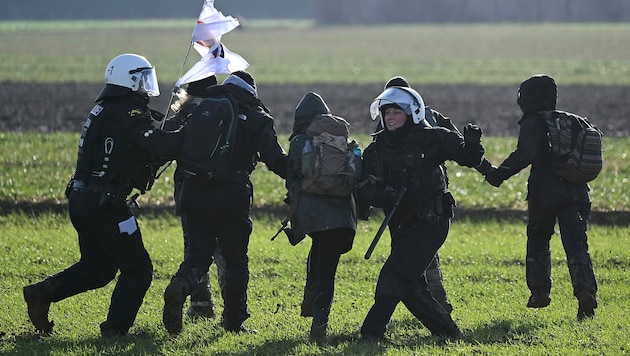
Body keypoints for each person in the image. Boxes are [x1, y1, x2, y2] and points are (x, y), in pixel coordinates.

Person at [22, 53, 185, 337]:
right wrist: (187, 134)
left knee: (99, 268)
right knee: (139, 270)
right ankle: (115, 331)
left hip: (83, 201)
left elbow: (135, 151)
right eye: (142, 80)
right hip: (105, 205)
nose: (146, 87)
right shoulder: (127, 112)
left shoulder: (105, 110)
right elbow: (156, 144)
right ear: (129, 80)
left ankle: (43, 292)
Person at [162, 70, 288, 335]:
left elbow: (170, 142)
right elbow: (276, 160)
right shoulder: (255, 115)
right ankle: (233, 322)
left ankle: (180, 285)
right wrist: (302, 173)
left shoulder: (200, 108)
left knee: (197, 256)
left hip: (193, 193)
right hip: (231, 197)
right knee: (235, 261)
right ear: (252, 90)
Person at [358, 85, 486, 341]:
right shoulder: (377, 148)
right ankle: (447, 332)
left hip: (432, 220)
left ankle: (371, 332)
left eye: (397, 112)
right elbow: (367, 191)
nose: (390, 117)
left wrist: (472, 145)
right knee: (411, 284)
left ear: (411, 113)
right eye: (387, 112)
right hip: (400, 223)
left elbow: (467, 158)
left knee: (393, 275)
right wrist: (387, 194)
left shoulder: (432, 137)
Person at [484, 74, 598, 320]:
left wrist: (499, 174)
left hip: (544, 192)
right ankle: (585, 292)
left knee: (538, 240)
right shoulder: (576, 121)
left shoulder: (533, 122)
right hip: (577, 192)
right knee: (577, 245)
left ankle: (539, 292)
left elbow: (525, 153)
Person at [285, 92, 357, 340]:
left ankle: (317, 322)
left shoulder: (300, 142)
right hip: (343, 218)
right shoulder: (341, 141)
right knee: (327, 266)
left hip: (314, 220)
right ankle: (318, 318)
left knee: (320, 260)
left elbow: (292, 174)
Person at [164, 75, 228, 320]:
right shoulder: (225, 110)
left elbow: (164, 146)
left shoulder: (184, 115)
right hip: (223, 193)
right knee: (226, 254)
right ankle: (231, 311)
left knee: (195, 251)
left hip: (189, 194)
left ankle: (200, 306)